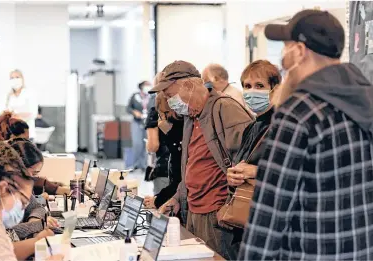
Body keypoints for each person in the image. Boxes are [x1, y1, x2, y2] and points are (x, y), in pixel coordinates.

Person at [239, 10, 373, 260]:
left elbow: (270, 209)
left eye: (287, 46)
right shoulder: (366, 100)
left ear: (300, 51)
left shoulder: (298, 112)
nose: (283, 56)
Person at [150, 61, 253, 260]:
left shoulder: (224, 107)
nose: (170, 101)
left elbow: (249, 158)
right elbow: (191, 166)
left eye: (171, 95)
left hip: (217, 216)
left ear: (188, 85)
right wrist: (178, 198)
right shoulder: (191, 116)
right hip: (194, 211)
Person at [221, 60, 281, 258]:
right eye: (247, 86)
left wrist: (255, 172)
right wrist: (233, 176)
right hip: (248, 220)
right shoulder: (252, 126)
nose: (252, 91)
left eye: (259, 86)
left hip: (271, 222)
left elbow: (295, 172)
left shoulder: (283, 124)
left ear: (275, 89)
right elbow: (242, 162)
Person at [144, 91, 184, 211]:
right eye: (160, 116)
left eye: (165, 114)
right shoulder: (174, 141)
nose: (161, 122)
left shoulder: (182, 139)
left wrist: (158, 200)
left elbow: (180, 180)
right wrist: (158, 198)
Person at [144, 73, 170, 195]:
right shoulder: (184, 110)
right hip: (185, 170)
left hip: (164, 168)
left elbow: (153, 145)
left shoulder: (155, 112)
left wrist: (147, 145)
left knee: (162, 210)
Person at [0, 69, 38, 141]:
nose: (15, 80)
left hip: (27, 135)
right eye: (12, 78)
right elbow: (0, 114)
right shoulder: (6, 96)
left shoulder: (30, 93)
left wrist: (12, 115)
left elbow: (33, 113)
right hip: (10, 136)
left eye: (17, 77)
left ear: (22, 79)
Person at [127, 81, 152, 171]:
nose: (148, 87)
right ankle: (135, 164)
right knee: (137, 144)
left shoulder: (151, 96)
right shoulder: (135, 96)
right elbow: (128, 108)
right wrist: (134, 112)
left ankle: (144, 165)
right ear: (141, 86)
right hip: (137, 122)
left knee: (147, 144)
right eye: (146, 85)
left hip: (148, 123)